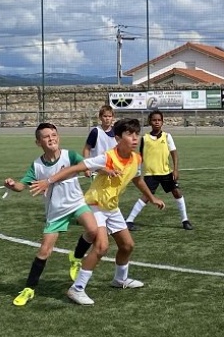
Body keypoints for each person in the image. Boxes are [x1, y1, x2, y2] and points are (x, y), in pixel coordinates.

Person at [31, 118, 166, 306]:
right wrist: (49, 181)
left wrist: (152, 198)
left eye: (137, 134)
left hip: (111, 207)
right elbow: (77, 167)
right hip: (94, 205)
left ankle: (120, 280)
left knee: (127, 246)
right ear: (118, 138)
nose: (135, 138)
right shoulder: (107, 157)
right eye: (130, 134)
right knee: (102, 246)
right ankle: (77, 289)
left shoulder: (136, 158)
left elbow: (137, 179)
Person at [4, 123, 99, 306]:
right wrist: (12, 184)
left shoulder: (69, 155)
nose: (51, 138)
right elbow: (22, 186)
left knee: (93, 231)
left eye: (54, 135)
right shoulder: (37, 165)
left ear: (59, 137)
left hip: (76, 204)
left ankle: (76, 257)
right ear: (38, 142)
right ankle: (29, 288)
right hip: (55, 212)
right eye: (46, 136)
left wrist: (88, 171)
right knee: (44, 251)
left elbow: (84, 165)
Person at [125, 109, 193, 231]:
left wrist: (175, 169)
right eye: (154, 120)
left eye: (159, 120)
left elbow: (174, 154)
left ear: (162, 122)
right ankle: (129, 221)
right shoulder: (144, 138)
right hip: (151, 174)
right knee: (146, 197)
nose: (156, 122)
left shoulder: (167, 137)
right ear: (150, 122)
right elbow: (140, 157)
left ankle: (185, 220)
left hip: (166, 172)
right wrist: (138, 171)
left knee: (177, 192)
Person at [82, 104, 116, 178]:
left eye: (109, 116)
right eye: (105, 116)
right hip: (98, 171)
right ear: (100, 117)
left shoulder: (116, 131)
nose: (107, 118)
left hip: (113, 171)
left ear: (113, 118)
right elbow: (87, 149)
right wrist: (86, 167)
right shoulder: (96, 132)